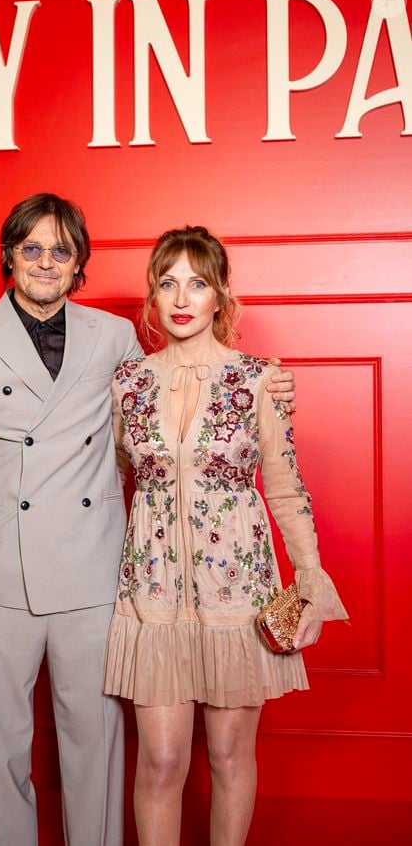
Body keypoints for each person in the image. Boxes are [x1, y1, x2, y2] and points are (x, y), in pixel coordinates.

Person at [0, 195, 296, 846]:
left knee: (94, 748)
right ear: (9, 256)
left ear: (78, 265)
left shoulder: (114, 338)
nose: (44, 261)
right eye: (30, 248)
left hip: (93, 575)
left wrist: (266, 388)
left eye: (60, 250)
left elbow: (174, 411)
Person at [103, 225, 348, 846]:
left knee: (229, 758)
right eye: (167, 283)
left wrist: (311, 580)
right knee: (160, 761)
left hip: (238, 598)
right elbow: (110, 487)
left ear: (220, 296)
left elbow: (287, 488)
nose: (181, 298)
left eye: (198, 282)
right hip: (152, 598)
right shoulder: (127, 386)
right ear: (152, 299)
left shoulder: (259, 380)